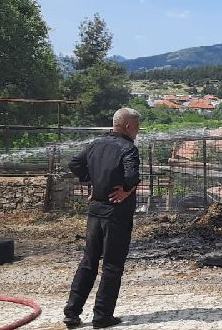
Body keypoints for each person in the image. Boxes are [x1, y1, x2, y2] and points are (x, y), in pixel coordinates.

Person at [63, 108, 142, 329]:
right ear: (128, 126)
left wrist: (94, 182)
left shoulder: (95, 144)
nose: (137, 131)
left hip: (95, 212)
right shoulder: (129, 148)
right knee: (112, 265)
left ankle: (71, 312)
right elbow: (132, 176)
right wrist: (127, 189)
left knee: (88, 262)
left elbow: (74, 164)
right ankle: (102, 316)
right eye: (137, 126)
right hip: (117, 213)